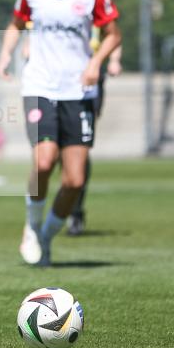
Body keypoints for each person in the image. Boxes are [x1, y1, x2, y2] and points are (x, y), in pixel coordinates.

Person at [0, 0, 121, 266]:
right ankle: (32, 226)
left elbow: (113, 34)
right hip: (39, 87)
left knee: (75, 180)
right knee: (43, 160)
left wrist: (96, 61)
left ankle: (47, 234)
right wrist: (7, 53)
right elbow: (15, 25)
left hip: (78, 91)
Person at [66, 41, 122, 235]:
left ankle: (75, 210)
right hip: (54, 82)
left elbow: (112, 32)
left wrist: (114, 59)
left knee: (79, 147)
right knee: (53, 151)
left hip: (88, 82)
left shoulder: (95, 9)